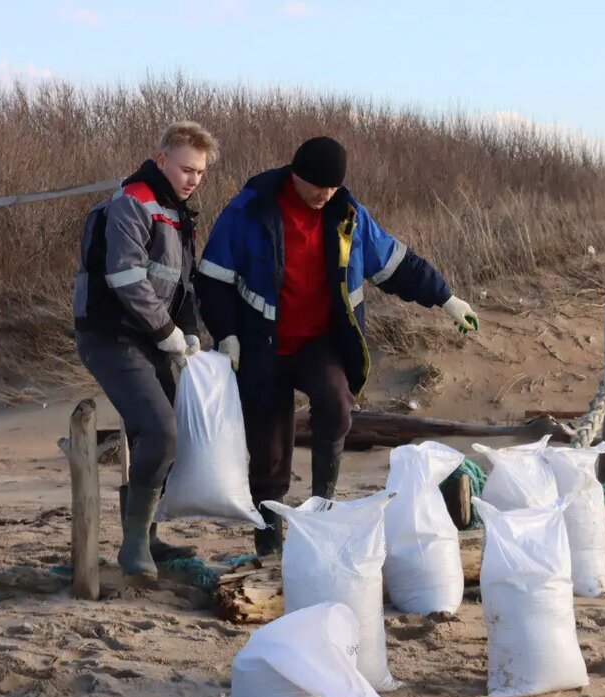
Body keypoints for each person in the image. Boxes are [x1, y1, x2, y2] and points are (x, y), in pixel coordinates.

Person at [195, 136, 479, 556]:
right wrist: (227, 334)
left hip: (318, 345)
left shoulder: (349, 217)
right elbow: (212, 278)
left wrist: (446, 298)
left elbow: (397, 264)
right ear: (296, 175)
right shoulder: (250, 210)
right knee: (269, 454)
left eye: (332, 187)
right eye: (317, 186)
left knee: (337, 403)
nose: (324, 195)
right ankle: (268, 539)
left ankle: (322, 505)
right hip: (263, 348)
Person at [73, 121, 219, 581]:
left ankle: (147, 536)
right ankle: (134, 543)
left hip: (151, 336)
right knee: (161, 429)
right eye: (186, 169)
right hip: (110, 334)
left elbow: (183, 285)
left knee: (164, 432)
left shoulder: (178, 213)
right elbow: (126, 278)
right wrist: (167, 333)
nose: (193, 179)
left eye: (200, 172)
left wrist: (189, 331)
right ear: (161, 161)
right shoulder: (134, 202)